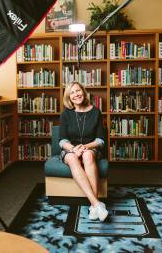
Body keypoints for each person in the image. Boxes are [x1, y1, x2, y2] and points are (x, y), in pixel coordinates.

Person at [59, 81, 108, 221]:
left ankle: (94, 206)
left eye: (78, 90)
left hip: (90, 148)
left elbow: (100, 140)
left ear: (83, 92)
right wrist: (74, 149)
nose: (76, 94)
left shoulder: (96, 111)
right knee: (73, 158)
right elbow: (62, 140)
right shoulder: (65, 114)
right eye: (72, 92)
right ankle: (97, 204)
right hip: (70, 149)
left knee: (87, 155)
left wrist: (85, 147)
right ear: (68, 97)